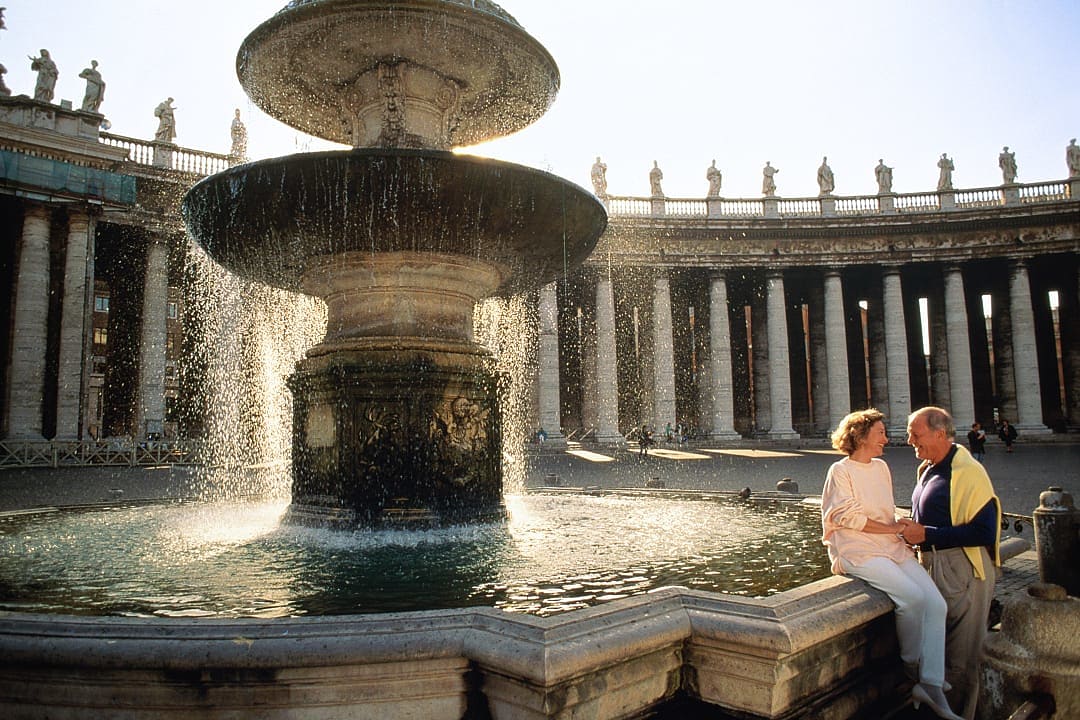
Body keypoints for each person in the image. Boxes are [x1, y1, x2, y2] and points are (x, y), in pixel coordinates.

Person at [821, 408, 961, 720]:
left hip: (890, 546)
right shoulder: (840, 470)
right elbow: (847, 518)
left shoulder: (882, 467)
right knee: (911, 599)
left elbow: (883, 511)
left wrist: (899, 522)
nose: (887, 437)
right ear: (861, 435)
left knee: (936, 604)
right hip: (857, 549)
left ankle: (932, 683)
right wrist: (892, 528)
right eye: (881, 432)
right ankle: (912, 667)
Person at [903, 406, 1002, 720]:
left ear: (939, 433)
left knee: (961, 660)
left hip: (962, 569)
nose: (909, 441)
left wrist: (926, 533)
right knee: (938, 653)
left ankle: (959, 714)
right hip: (933, 565)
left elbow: (986, 529)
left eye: (915, 435)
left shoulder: (968, 472)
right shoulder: (928, 469)